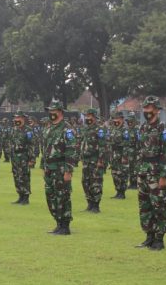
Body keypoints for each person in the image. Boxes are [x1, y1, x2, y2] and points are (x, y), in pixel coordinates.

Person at [135, 96, 166, 250]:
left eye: (149, 108)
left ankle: (159, 239)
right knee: (145, 206)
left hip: (156, 172)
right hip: (143, 172)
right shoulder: (142, 128)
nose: (147, 111)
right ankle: (149, 236)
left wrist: (164, 175)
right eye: (145, 108)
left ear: (157, 110)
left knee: (159, 205)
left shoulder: (163, 129)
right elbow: (139, 150)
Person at [42, 99, 77, 235]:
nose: (51, 113)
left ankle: (65, 225)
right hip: (50, 168)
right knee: (50, 196)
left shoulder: (67, 128)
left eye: (54, 111)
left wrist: (68, 170)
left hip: (61, 167)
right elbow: (45, 148)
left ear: (60, 112)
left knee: (62, 196)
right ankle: (58, 223)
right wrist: (44, 165)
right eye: (50, 111)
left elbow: (71, 150)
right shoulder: (49, 128)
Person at [79, 108, 106, 213]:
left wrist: (101, 160)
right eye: (86, 116)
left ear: (95, 117)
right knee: (85, 182)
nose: (88, 118)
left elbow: (103, 146)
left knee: (96, 182)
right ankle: (89, 203)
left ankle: (96, 205)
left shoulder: (100, 129)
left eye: (90, 116)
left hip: (95, 160)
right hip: (86, 160)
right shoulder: (86, 129)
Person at [10, 111, 35, 205]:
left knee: (24, 177)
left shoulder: (28, 130)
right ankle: (20, 196)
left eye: (18, 118)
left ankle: (26, 197)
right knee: (17, 177)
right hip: (15, 157)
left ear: (23, 118)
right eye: (15, 118)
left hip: (24, 157)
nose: (16, 120)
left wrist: (32, 159)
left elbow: (31, 145)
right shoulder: (14, 130)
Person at [108, 111, 129, 199]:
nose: (115, 120)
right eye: (114, 119)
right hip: (114, 154)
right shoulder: (113, 128)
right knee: (114, 173)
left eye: (117, 119)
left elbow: (127, 143)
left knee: (122, 174)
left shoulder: (125, 130)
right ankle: (118, 191)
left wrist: (124, 156)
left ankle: (122, 192)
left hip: (121, 155)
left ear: (122, 119)